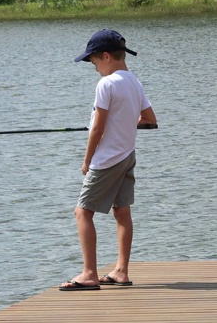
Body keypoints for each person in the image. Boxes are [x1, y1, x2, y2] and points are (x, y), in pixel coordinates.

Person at [59, 29, 157, 291]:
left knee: (82, 212)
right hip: (127, 156)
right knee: (121, 211)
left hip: (106, 160)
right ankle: (121, 271)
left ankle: (89, 273)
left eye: (93, 62)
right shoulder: (134, 81)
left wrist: (86, 160)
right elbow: (149, 119)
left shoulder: (107, 84)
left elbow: (98, 129)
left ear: (105, 56)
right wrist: (124, 122)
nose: (94, 69)